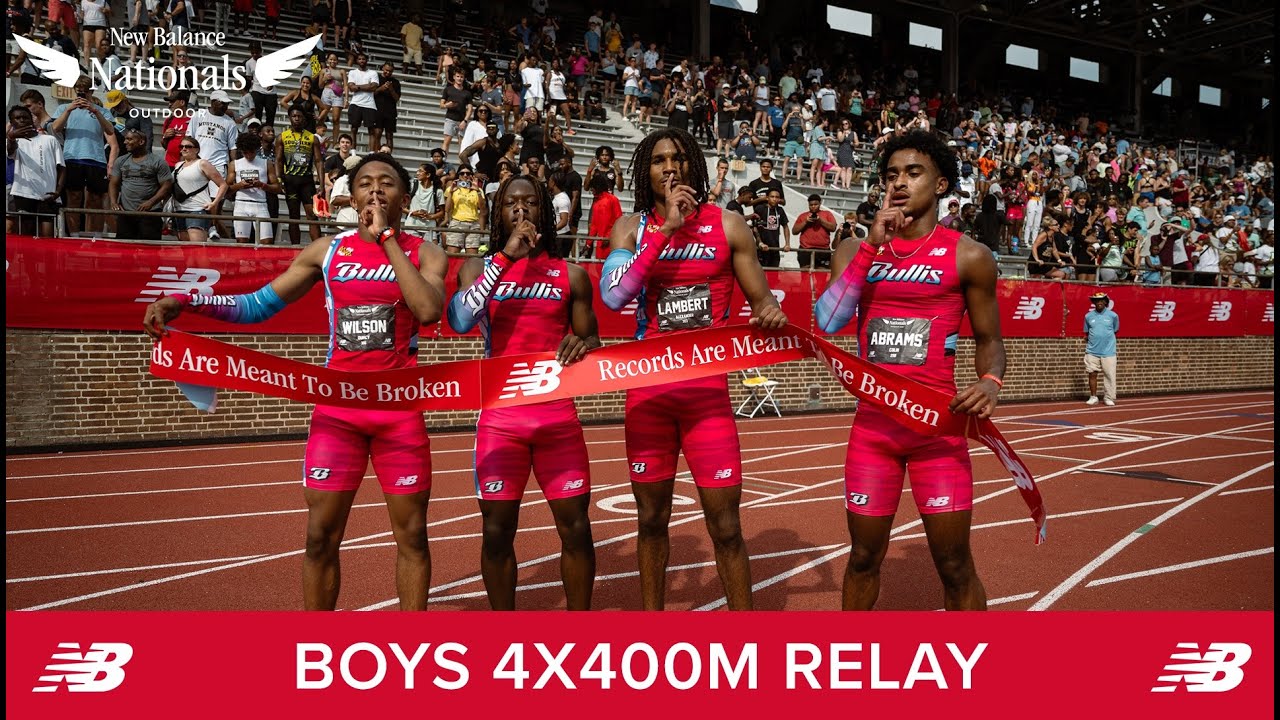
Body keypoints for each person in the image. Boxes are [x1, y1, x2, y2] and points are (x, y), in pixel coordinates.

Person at [143, 153, 449, 611]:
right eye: (365, 183)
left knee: (412, 538)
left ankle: (411, 652)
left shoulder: (425, 252)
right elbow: (257, 306)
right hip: (337, 415)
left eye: (386, 184)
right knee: (320, 537)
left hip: (398, 414)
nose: (375, 191)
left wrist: (387, 239)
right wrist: (187, 301)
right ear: (351, 195)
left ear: (403, 198)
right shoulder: (327, 251)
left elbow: (427, 310)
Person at [814, 130, 1006, 611]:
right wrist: (868, 249)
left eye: (913, 172)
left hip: (936, 432)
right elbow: (829, 322)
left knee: (955, 564)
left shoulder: (970, 256)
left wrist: (990, 381)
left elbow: (990, 341)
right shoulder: (853, 249)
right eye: (891, 174)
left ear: (941, 185)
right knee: (861, 558)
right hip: (874, 431)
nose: (899, 182)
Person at [599, 128, 787, 610]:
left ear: (692, 167)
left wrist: (768, 313)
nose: (669, 167)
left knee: (725, 526)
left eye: (678, 159)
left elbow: (764, 301)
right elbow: (614, 296)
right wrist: (664, 232)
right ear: (647, 171)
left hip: (707, 398)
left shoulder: (728, 225)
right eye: (659, 159)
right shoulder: (629, 228)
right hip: (649, 397)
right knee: (651, 521)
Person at [445, 174, 600, 609]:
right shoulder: (477, 268)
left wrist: (582, 345)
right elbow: (458, 321)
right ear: (499, 214)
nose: (521, 210)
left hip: (557, 419)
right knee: (496, 532)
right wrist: (506, 258)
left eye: (530, 203)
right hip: (501, 421)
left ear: (543, 213)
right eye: (511, 203)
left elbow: (592, 341)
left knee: (576, 529)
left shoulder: (571, 275)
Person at [7, 104, 65, 237]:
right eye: (17, 118)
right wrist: (11, 137)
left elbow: (61, 167)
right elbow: (10, 150)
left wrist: (58, 191)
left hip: (48, 196)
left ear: (31, 119)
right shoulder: (11, 142)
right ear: (12, 122)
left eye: (25, 117)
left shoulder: (50, 140)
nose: (22, 120)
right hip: (23, 194)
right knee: (25, 237)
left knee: (47, 237)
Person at [276, 106, 327, 245]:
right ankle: (295, 248)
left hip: (307, 181)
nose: (297, 119)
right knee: (294, 216)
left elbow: (318, 161)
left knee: (312, 215)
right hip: (290, 180)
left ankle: (318, 248)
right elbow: (279, 160)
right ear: (289, 118)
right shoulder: (282, 137)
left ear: (304, 118)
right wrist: (279, 179)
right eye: (294, 116)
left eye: (299, 116)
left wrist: (321, 185)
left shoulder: (312, 138)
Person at [1083, 291, 1119, 406]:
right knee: (1092, 373)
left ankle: (1108, 397)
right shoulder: (1088, 316)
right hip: (1092, 351)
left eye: (1102, 300)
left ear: (1105, 302)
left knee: (1109, 375)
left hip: (1109, 351)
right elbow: (1086, 332)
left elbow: (1115, 329)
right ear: (1093, 302)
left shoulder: (1113, 315)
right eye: (1097, 300)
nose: (1099, 302)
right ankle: (1093, 397)